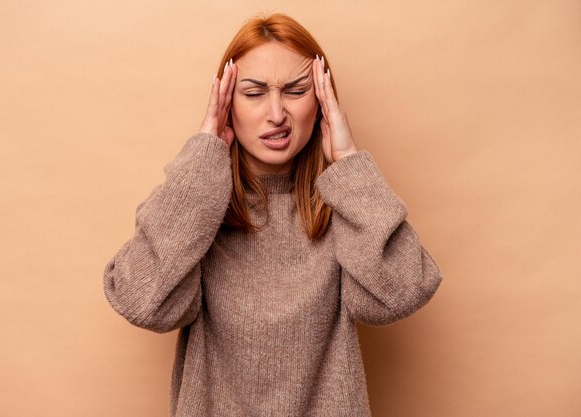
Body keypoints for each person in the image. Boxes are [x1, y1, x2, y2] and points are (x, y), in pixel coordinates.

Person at [103, 12, 443, 417]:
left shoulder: (344, 208)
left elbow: (404, 291)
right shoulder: (199, 213)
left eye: (297, 91)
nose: (277, 114)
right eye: (254, 93)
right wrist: (202, 160)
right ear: (227, 105)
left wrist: (349, 162)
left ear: (321, 102)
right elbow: (141, 300)